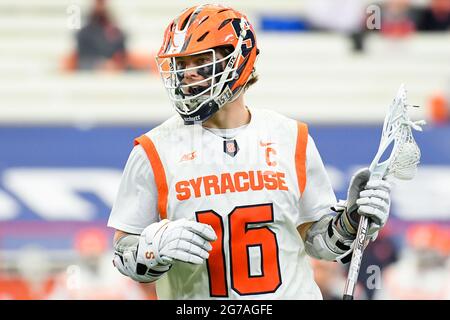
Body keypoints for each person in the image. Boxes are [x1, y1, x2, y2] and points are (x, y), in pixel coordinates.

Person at [107, 4, 392, 300]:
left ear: (239, 60)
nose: (187, 75)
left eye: (200, 61)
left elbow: (318, 243)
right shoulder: (154, 149)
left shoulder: (291, 137)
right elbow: (123, 254)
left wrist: (351, 222)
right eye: (181, 64)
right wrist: (153, 249)